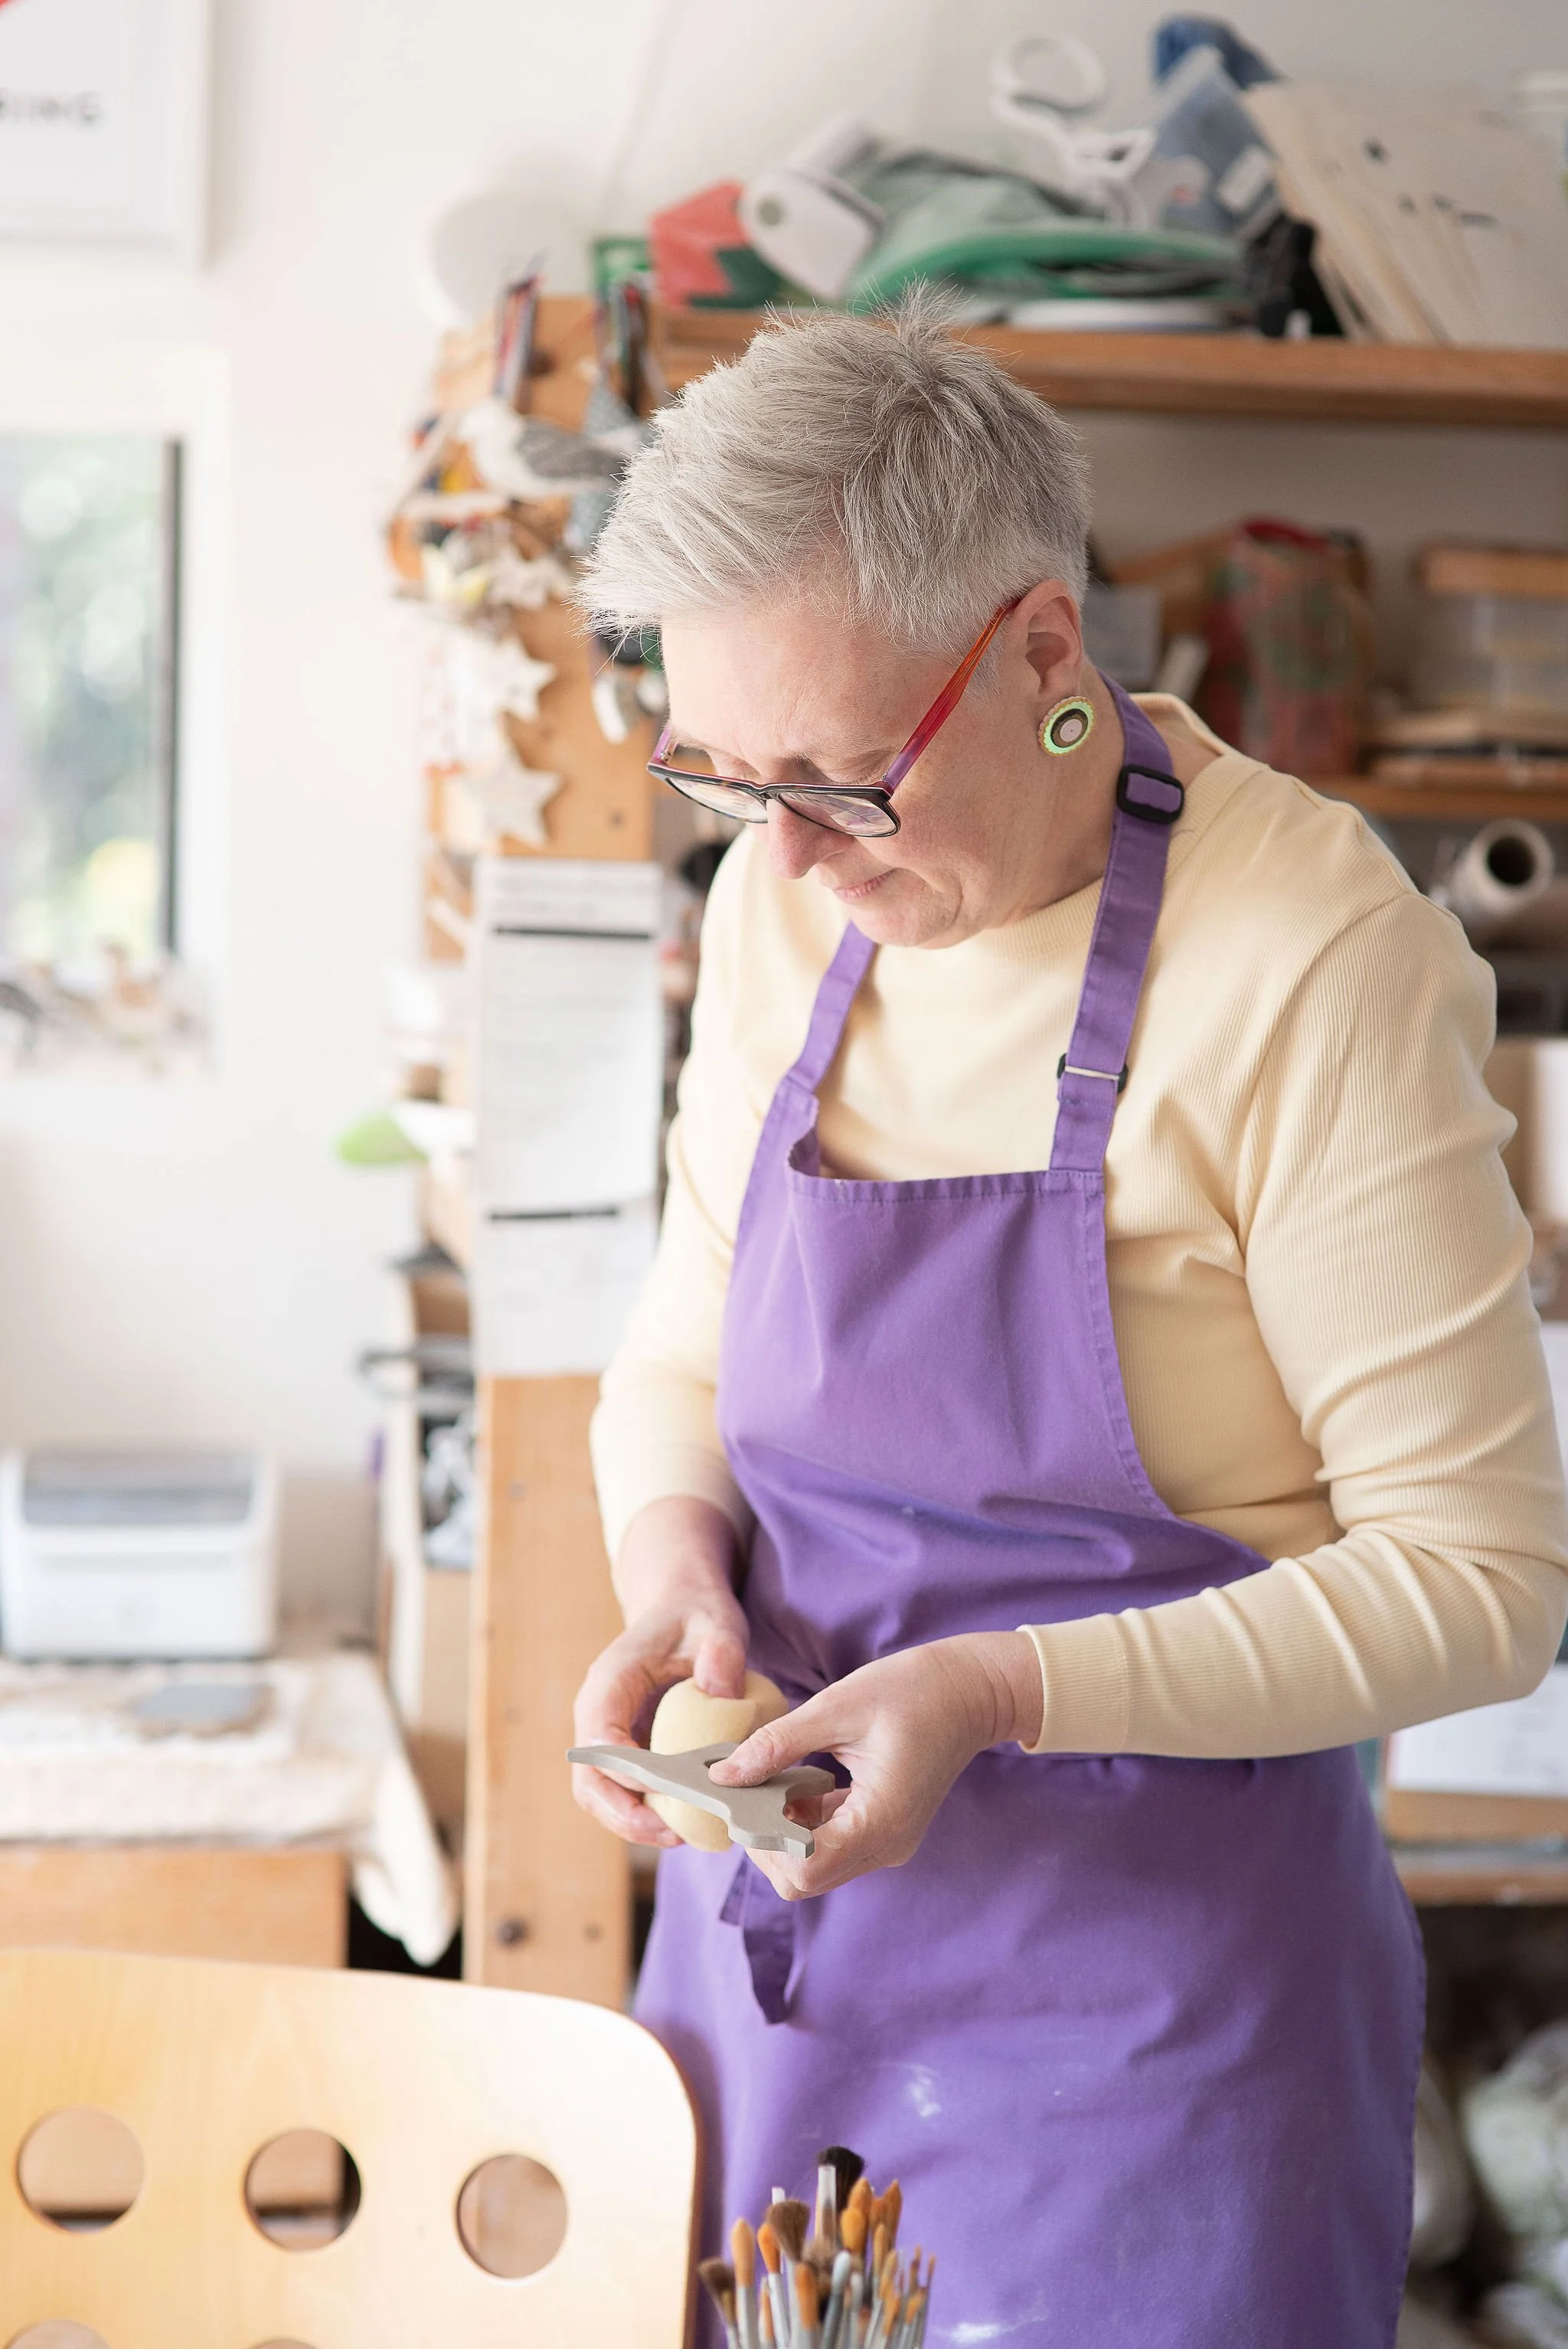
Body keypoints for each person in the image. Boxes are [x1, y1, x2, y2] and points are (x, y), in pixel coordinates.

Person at [570, 299, 1568, 2348]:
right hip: (787, 1981)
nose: (786, 857)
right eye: (722, 775)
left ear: (1042, 650)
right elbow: (680, 1351)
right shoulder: (782, 902)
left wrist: (994, 1694)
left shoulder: (1311, 968)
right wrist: (673, 1576)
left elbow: (1486, 1584)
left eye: (842, 780)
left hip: (1161, 2035)